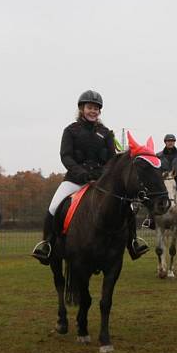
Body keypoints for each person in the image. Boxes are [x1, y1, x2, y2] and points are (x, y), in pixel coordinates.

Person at [31, 90, 150, 265]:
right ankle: (47, 244)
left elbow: (112, 157)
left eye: (96, 108)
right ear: (82, 109)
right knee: (54, 207)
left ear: (99, 111)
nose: (93, 111)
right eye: (89, 107)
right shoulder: (70, 131)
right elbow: (66, 156)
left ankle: (133, 243)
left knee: (128, 208)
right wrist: (83, 174)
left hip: (101, 182)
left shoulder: (106, 133)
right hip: (74, 180)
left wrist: (103, 174)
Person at [142, 134, 177, 228]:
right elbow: (155, 169)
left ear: (174, 142)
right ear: (165, 142)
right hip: (162, 181)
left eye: (172, 141)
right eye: (168, 141)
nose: (170, 142)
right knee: (151, 195)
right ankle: (150, 218)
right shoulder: (158, 155)